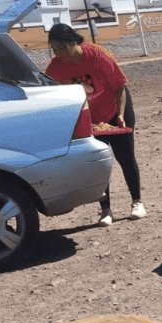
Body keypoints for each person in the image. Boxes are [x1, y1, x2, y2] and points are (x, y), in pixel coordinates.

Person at [44, 23, 144, 226]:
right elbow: (50, 95)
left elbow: (119, 87)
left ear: (73, 42)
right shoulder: (55, 68)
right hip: (90, 117)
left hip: (116, 109)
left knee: (125, 157)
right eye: (54, 49)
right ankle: (106, 210)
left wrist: (121, 115)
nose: (58, 54)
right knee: (100, 162)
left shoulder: (97, 55)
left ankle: (137, 202)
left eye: (61, 48)